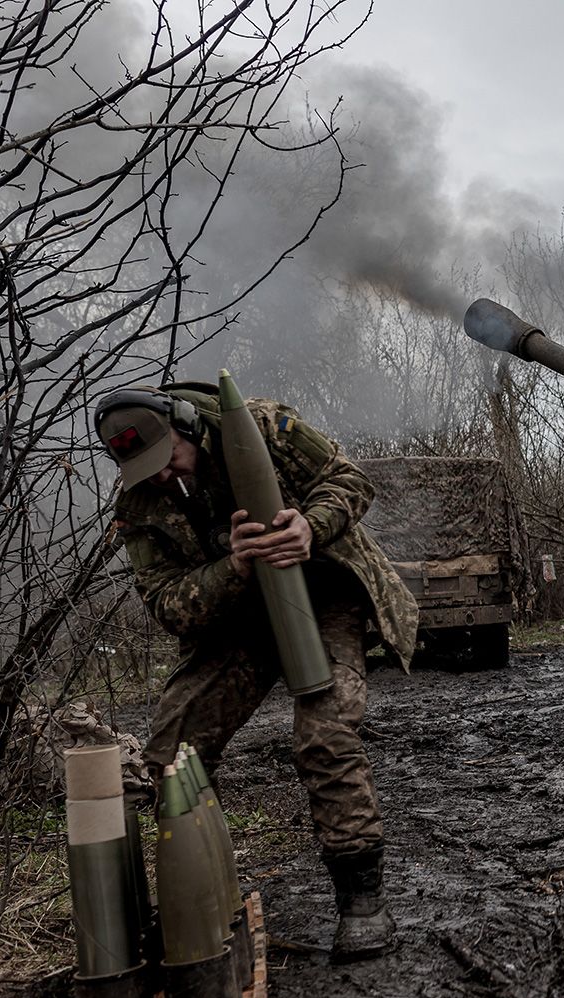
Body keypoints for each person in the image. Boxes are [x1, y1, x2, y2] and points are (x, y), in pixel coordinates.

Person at [94, 382, 418, 961]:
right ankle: (196, 902)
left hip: (321, 596)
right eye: (147, 470)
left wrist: (309, 527)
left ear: (186, 425)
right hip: (239, 615)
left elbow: (351, 481)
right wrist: (234, 565)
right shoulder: (140, 507)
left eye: (168, 459)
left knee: (326, 734)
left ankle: (362, 902)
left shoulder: (265, 428)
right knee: (172, 748)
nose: (164, 477)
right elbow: (169, 606)